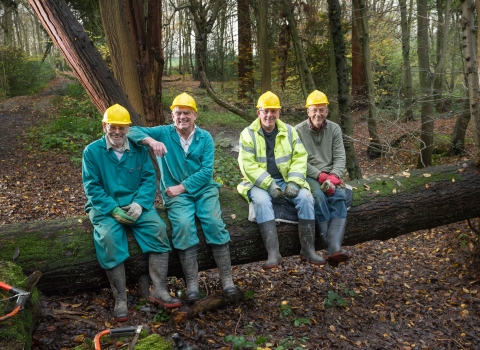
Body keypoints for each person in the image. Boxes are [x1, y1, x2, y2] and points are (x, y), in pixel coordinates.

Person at [127, 93, 237, 303]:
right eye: (178, 112)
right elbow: (131, 130)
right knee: (184, 225)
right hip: (175, 195)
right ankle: (192, 284)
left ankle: (227, 280)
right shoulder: (164, 132)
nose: (182, 116)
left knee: (213, 222)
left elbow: (207, 172)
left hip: (203, 189)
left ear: (195, 115)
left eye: (187, 112)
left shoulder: (205, 137)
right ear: (172, 114)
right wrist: (151, 141)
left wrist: (182, 187)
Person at [82, 104, 181, 322]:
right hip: (104, 207)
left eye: (122, 127)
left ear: (128, 128)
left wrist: (140, 204)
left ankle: (159, 289)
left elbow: (148, 178)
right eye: (113, 127)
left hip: (136, 204)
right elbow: (92, 186)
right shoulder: (92, 151)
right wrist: (112, 208)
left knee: (158, 229)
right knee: (108, 238)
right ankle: (121, 299)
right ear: (104, 126)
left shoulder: (138, 149)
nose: (117, 131)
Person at [237, 91, 325, 269]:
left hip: (286, 179)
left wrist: (294, 182)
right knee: (261, 201)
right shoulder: (248, 134)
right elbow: (247, 165)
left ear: (279, 112)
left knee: (307, 198)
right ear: (258, 112)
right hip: (258, 183)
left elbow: (300, 158)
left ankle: (308, 250)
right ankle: (273, 253)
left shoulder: (290, 131)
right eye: (265, 111)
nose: (269, 115)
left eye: (273, 111)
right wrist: (269, 185)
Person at [295, 90, 351, 264]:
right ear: (308, 111)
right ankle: (327, 243)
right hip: (310, 175)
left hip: (332, 175)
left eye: (321, 110)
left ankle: (334, 248)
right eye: (314, 110)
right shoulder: (298, 131)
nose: (318, 114)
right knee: (318, 197)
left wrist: (334, 176)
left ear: (327, 111)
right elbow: (299, 161)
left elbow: (340, 156)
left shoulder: (334, 129)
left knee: (340, 196)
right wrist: (320, 176)